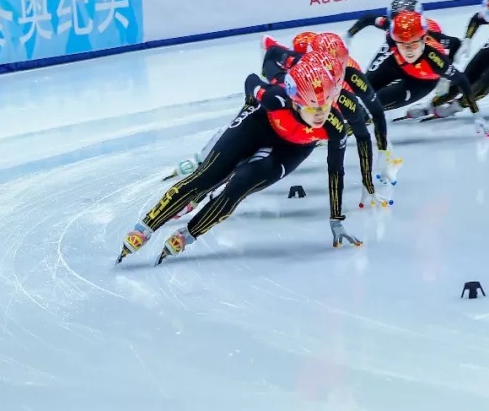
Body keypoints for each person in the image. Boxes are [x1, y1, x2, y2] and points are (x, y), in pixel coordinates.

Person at [117, 54, 361, 265]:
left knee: (239, 186)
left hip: (291, 149)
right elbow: (251, 80)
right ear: (295, 102)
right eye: (312, 108)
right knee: (207, 177)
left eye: (325, 107)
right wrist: (249, 104)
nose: (320, 115)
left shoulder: (335, 126)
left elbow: (336, 171)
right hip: (258, 125)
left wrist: (336, 219)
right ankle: (145, 228)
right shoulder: (275, 98)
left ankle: (187, 235)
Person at [259, 33, 393, 207]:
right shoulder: (297, 70)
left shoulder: (351, 77)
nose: (330, 84)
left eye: (338, 73)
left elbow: (374, 116)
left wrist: (380, 155)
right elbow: (271, 56)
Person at [367, 11, 489, 137]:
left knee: (375, 103)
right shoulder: (392, 37)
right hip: (398, 65)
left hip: (421, 81)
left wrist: (477, 114)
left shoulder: (434, 58)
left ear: (424, 39)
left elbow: (462, 80)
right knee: (365, 88)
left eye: (414, 43)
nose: (409, 50)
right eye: (403, 44)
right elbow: (368, 19)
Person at [347, 0, 464, 62]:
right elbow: (368, 18)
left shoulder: (431, 33)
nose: (401, 28)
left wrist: (446, 70)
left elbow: (454, 44)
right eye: (395, 21)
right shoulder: (391, 25)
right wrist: (348, 35)